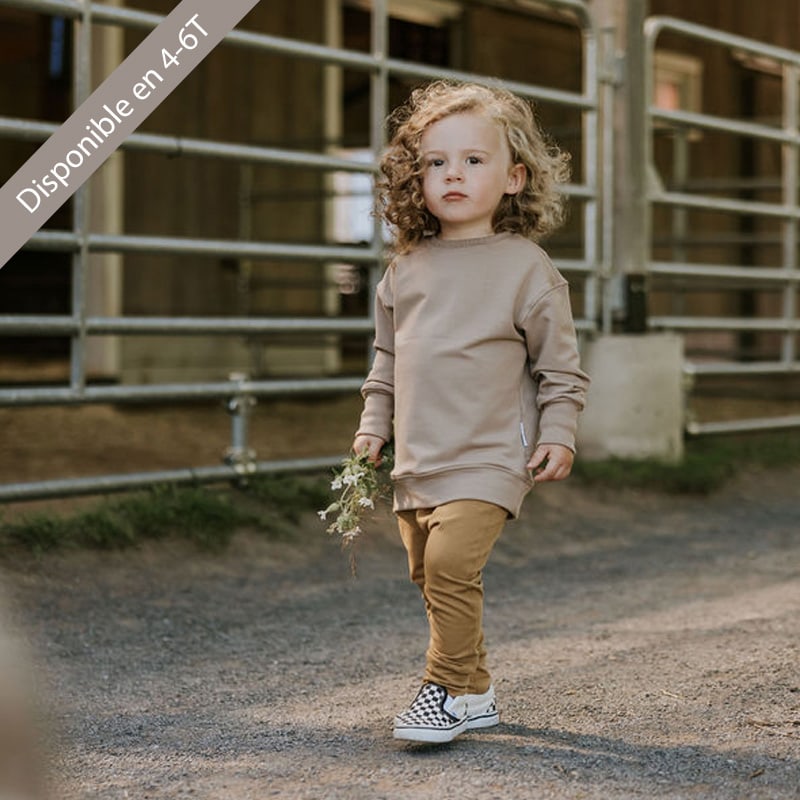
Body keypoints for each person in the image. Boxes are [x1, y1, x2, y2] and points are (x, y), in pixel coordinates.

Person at [352, 80, 590, 744]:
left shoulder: (525, 268)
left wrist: (560, 432)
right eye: (436, 162)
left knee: (454, 565)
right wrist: (373, 428)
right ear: (416, 178)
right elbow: (386, 361)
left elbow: (560, 366)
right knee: (428, 572)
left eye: (473, 161)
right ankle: (476, 690)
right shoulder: (405, 272)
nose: (452, 173)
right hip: (420, 458)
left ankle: (439, 690)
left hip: (492, 454)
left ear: (514, 177)